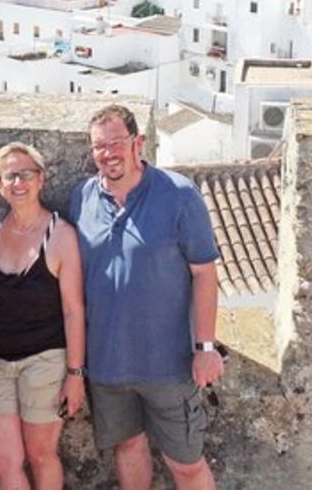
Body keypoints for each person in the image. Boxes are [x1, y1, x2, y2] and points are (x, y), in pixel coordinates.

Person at [67, 104, 224, 490]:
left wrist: (205, 346)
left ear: (138, 142)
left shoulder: (178, 195)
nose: (108, 153)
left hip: (169, 364)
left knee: (186, 464)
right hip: (106, 363)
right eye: (99, 146)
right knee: (128, 448)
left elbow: (205, 273)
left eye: (117, 142)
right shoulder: (81, 198)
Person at [0, 142, 86, 490]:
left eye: (26, 174)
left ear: (42, 179)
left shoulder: (61, 236)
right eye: (8, 176)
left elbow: (73, 310)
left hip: (46, 361)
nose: (18, 182)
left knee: (41, 455)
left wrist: (75, 374)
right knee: (2, 460)